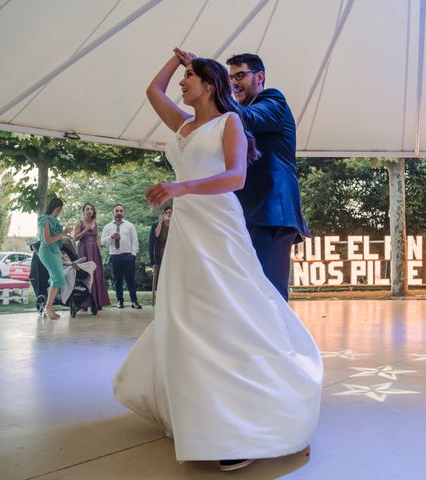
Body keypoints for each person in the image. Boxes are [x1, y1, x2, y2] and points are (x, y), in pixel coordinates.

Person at [112, 50, 322, 472]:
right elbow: (154, 92)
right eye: (231, 76)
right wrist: (182, 64)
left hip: (254, 216)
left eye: (240, 76)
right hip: (194, 224)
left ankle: (264, 407)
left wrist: (181, 185)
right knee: (189, 312)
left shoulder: (251, 111)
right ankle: (199, 410)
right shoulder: (189, 123)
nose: (182, 83)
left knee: (251, 309)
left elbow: (237, 170)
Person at [174, 49, 309, 301]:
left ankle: (278, 341)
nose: (234, 83)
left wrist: (211, 82)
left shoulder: (272, 100)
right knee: (244, 294)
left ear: (260, 76)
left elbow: (246, 118)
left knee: (269, 293)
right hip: (243, 212)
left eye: (240, 76)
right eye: (229, 78)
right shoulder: (229, 116)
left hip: (272, 211)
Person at [37, 197, 73, 319]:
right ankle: (48, 308)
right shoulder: (45, 219)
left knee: (57, 279)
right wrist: (63, 233)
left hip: (55, 251)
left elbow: (56, 241)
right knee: (58, 278)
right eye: (60, 209)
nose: (60, 212)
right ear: (57, 209)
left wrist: (61, 254)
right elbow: (47, 240)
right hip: (47, 251)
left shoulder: (54, 220)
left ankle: (49, 307)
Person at [100, 205, 142, 309]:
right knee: (117, 280)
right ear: (113, 213)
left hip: (128, 256)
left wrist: (133, 255)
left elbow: (135, 241)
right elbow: (103, 242)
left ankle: (134, 301)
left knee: (130, 280)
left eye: (121, 211)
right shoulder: (107, 227)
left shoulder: (130, 226)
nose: (119, 212)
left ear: (124, 213)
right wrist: (111, 237)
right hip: (115, 257)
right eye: (117, 211)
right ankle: (120, 301)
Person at [74, 202, 110, 310]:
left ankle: (98, 301)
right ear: (83, 211)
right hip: (83, 250)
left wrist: (100, 251)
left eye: (91, 209)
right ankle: (84, 303)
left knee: (97, 274)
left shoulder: (95, 223)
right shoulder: (80, 223)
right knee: (86, 275)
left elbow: (97, 239)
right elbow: (75, 238)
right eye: (87, 209)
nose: (90, 211)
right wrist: (85, 230)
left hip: (94, 251)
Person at [149, 205, 172, 305]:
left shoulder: (176, 225)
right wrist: (161, 222)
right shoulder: (157, 225)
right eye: (166, 213)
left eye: (170, 213)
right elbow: (156, 236)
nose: (168, 215)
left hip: (173, 254)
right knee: (160, 278)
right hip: (161, 255)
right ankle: (160, 299)